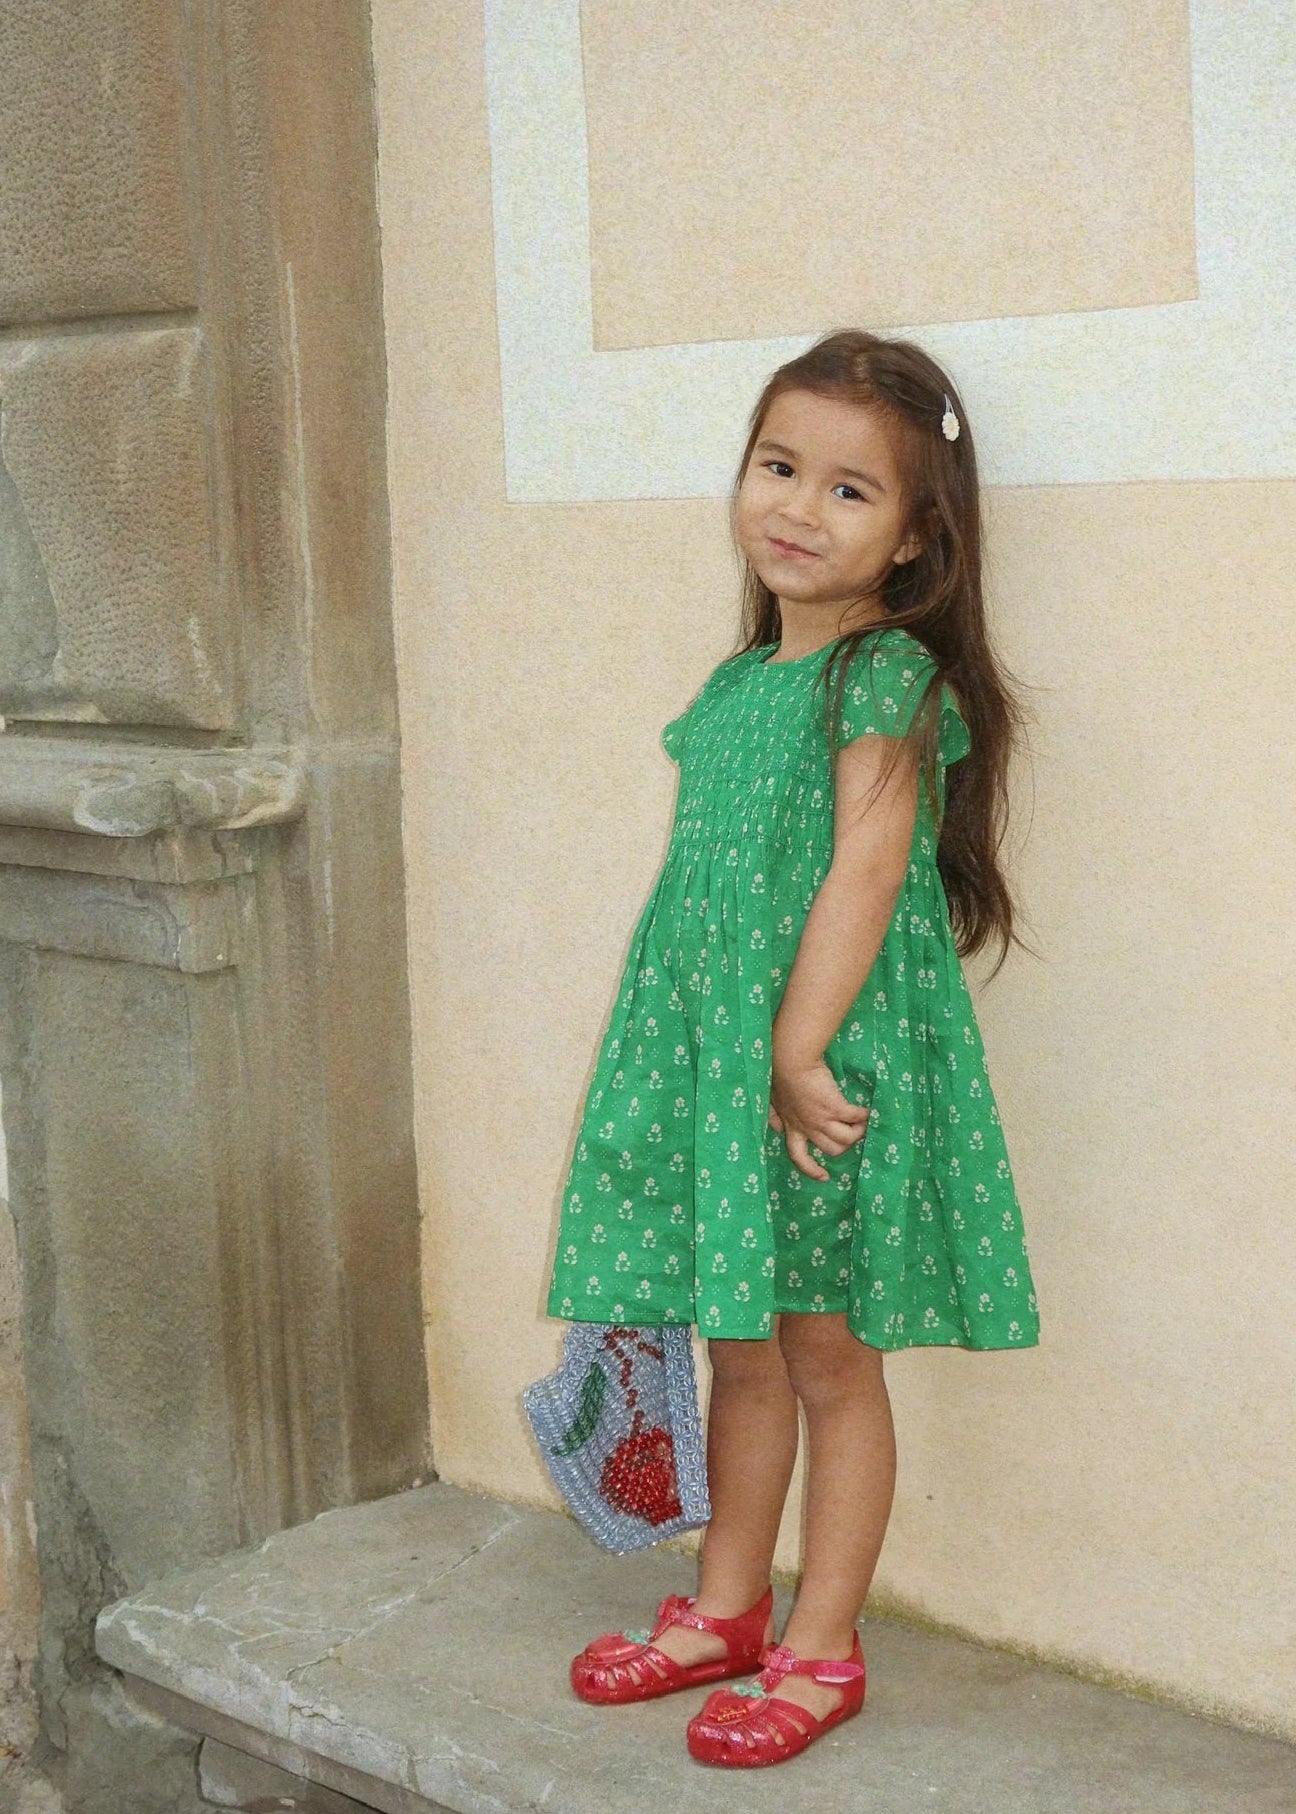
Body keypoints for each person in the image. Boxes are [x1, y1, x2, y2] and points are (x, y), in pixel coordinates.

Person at [545, 328, 1042, 1767]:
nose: (795, 508)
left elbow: (865, 873)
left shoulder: (883, 679)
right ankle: (725, 1605)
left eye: (848, 491)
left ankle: (823, 1641)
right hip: (724, 1068)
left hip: (816, 1075)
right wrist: (709, 1061)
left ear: (913, 541)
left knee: (829, 1356)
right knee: (740, 1346)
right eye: (779, 467)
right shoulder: (736, 685)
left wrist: (795, 1045)